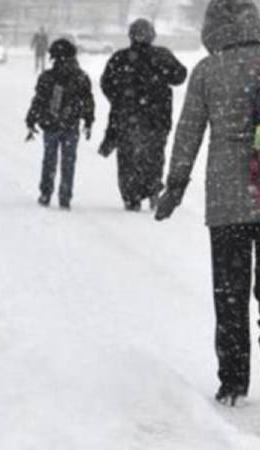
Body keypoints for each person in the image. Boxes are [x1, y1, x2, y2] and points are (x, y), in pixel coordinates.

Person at [155, 0, 260, 407]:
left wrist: (175, 187)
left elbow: (188, 135)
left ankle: (233, 382)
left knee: (230, 293)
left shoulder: (208, 71)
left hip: (228, 201)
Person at [100, 19, 187, 211]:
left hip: (127, 118)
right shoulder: (161, 55)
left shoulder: (120, 58)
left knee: (128, 159)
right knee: (154, 156)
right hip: (157, 118)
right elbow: (180, 76)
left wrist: (120, 99)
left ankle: (132, 197)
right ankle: (152, 189)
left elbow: (106, 84)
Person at [26, 38, 95, 210]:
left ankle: (45, 193)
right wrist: (88, 120)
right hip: (71, 125)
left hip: (51, 124)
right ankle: (65, 196)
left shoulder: (48, 77)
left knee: (49, 160)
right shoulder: (81, 77)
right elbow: (88, 101)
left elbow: (39, 100)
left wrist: (31, 119)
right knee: (68, 162)